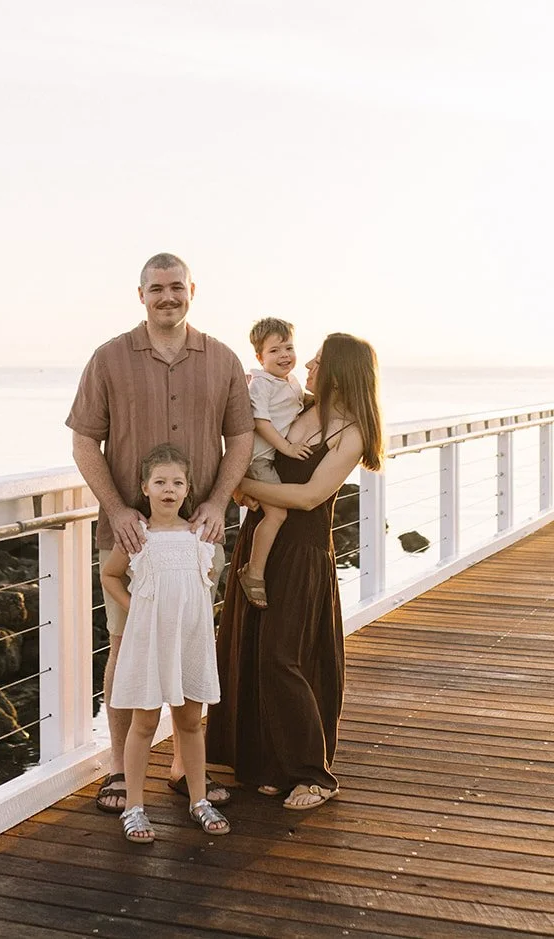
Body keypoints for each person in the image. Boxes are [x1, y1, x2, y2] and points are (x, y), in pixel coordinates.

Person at [66, 252, 254, 815]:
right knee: (126, 648)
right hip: (130, 537)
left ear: (192, 290)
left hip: (199, 537)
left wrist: (219, 501)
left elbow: (241, 437)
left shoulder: (220, 359)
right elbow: (83, 442)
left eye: (176, 287)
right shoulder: (108, 358)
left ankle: (180, 766)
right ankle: (121, 772)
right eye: (156, 289)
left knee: (190, 644)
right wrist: (117, 508)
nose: (166, 297)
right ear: (140, 294)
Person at [207, 332, 384, 810]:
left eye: (320, 360)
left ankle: (314, 774)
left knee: (284, 657)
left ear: (342, 371)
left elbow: (309, 497)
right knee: (248, 651)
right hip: (260, 540)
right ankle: (270, 765)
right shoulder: (300, 408)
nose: (306, 362)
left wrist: (237, 485)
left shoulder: (352, 433)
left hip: (301, 552)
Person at [100, 445, 230, 842]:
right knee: (145, 722)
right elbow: (110, 577)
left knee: (190, 721)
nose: (169, 490)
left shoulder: (199, 536)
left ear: (188, 489)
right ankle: (136, 808)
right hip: (151, 641)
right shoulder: (137, 537)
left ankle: (198, 800)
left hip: (189, 640)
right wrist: (138, 608)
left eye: (177, 483)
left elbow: (202, 582)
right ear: (145, 488)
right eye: (160, 482)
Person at [237, 317, 308, 608]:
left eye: (289, 348)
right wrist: (288, 448)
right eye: (275, 350)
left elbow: (302, 403)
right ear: (259, 357)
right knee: (277, 515)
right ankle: (253, 573)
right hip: (259, 458)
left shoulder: (291, 381)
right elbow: (261, 422)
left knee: (270, 510)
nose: (284, 356)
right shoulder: (261, 383)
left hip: (270, 457)